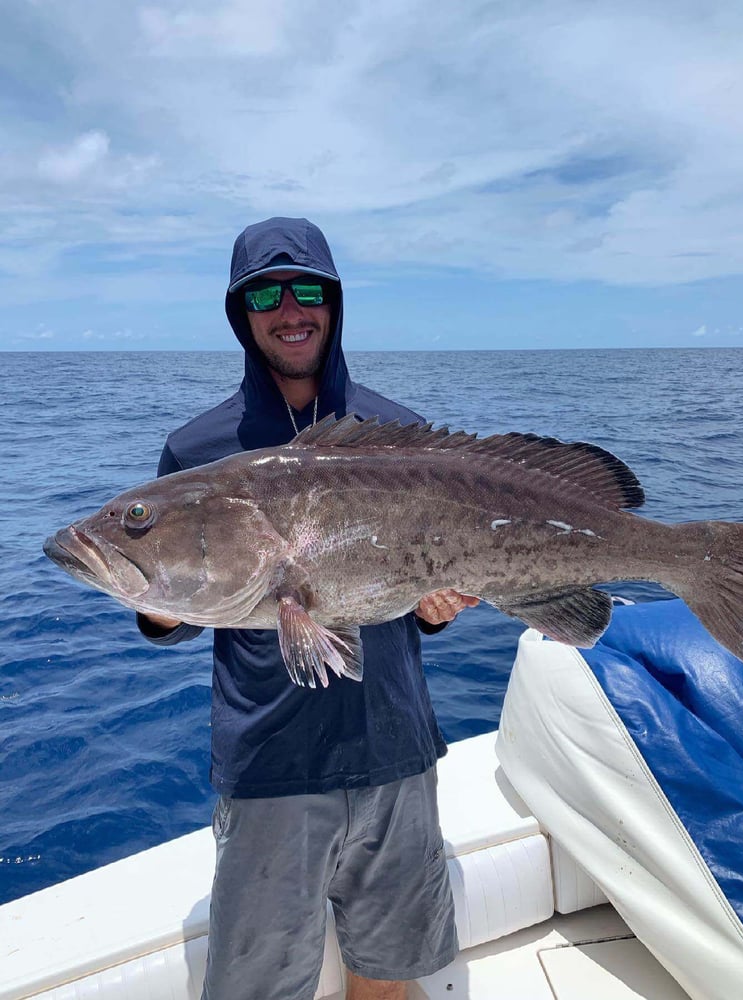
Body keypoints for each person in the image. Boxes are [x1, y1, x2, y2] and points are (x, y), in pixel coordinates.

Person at [138, 217, 478, 1000]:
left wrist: (436, 608)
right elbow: (187, 605)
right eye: (265, 292)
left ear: (333, 300)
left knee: (388, 981)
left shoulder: (401, 434)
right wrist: (155, 607)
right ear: (242, 313)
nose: (289, 308)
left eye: (307, 289)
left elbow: (424, 603)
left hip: (395, 746)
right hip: (271, 767)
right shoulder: (198, 450)